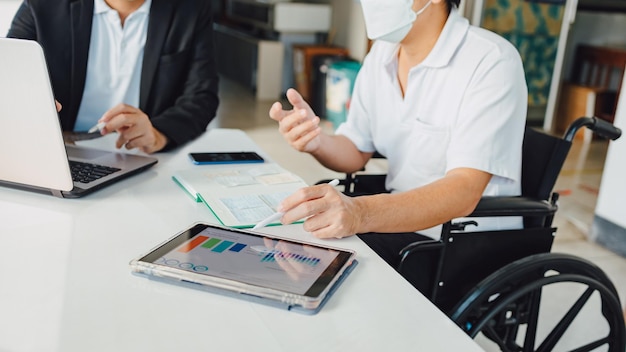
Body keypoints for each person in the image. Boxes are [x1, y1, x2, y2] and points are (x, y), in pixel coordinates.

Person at [269, 0, 528, 291]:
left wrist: (360, 213)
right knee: (298, 247)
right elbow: (355, 149)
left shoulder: (490, 60)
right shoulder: (382, 54)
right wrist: (317, 141)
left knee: (322, 265)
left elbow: (463, 191)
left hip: (462, 240)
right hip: (397, 221)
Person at [7, 0, 219, 153]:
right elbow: (8, 74)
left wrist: (158, 134)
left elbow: (202, 96)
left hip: (138, 151)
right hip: (60, 146)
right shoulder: (42, 5)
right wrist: (27, 102)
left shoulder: (191, 8)